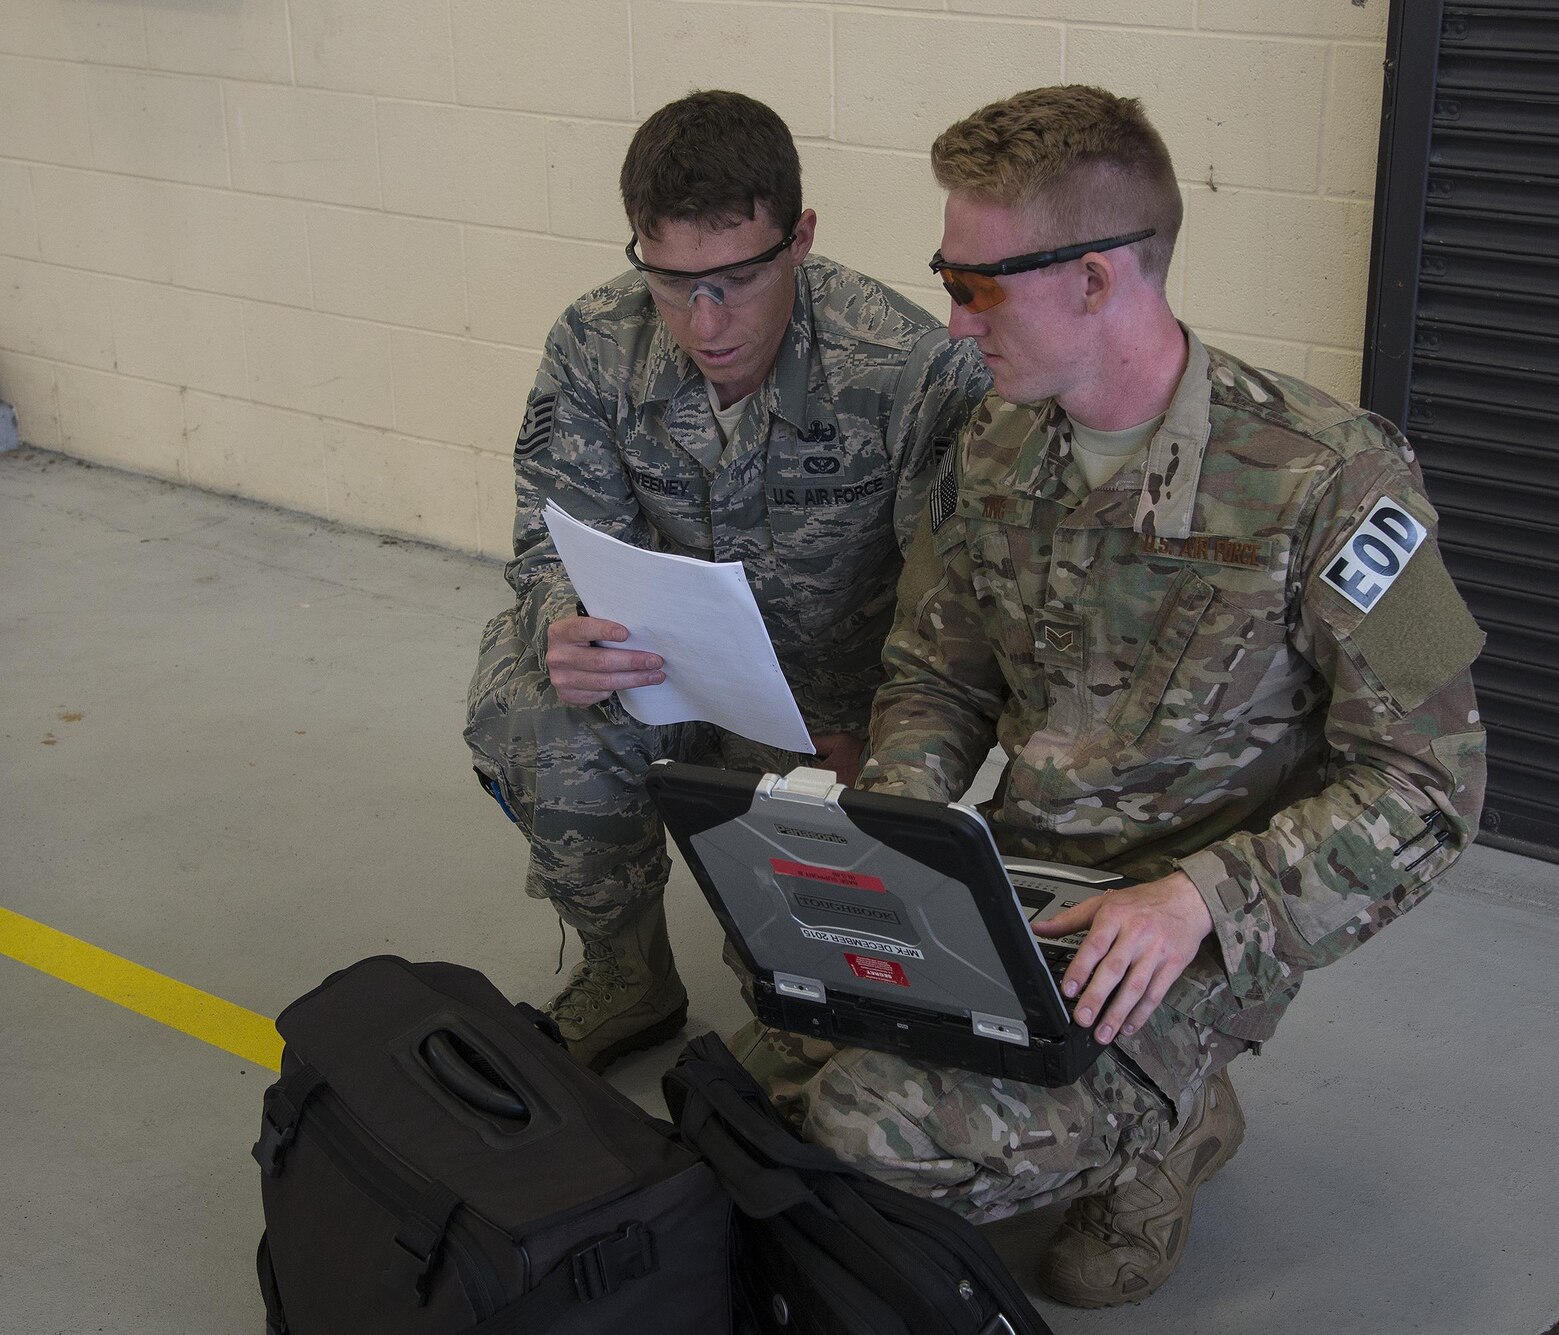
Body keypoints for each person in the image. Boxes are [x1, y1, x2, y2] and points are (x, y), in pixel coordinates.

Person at [727, 86, 1489, 1307]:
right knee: (763, 1046)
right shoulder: (993, 444)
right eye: (945, 273)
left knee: (863, 1130)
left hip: (1189, 939)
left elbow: (1435, 786)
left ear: (1093, 279)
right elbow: (934, 672)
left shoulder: (1342, 481)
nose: (952, 316)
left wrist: (1201, 899)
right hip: (1026, 885)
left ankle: (1173, 1117)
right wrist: (900, 835)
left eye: (974, 283)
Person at [465, 90, 989, 1072]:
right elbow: (551, 537)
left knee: (804, 1031)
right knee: (532, 709)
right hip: (654, 672)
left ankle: (797, 973)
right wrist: (561, 620)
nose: (702, 321)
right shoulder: (594, 343)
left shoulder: (904, 367)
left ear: (799, 239)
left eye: (735, 280)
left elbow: (953, 606)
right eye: (669, 281)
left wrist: (879, 735)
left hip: (825, 715)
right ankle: (628, 973)